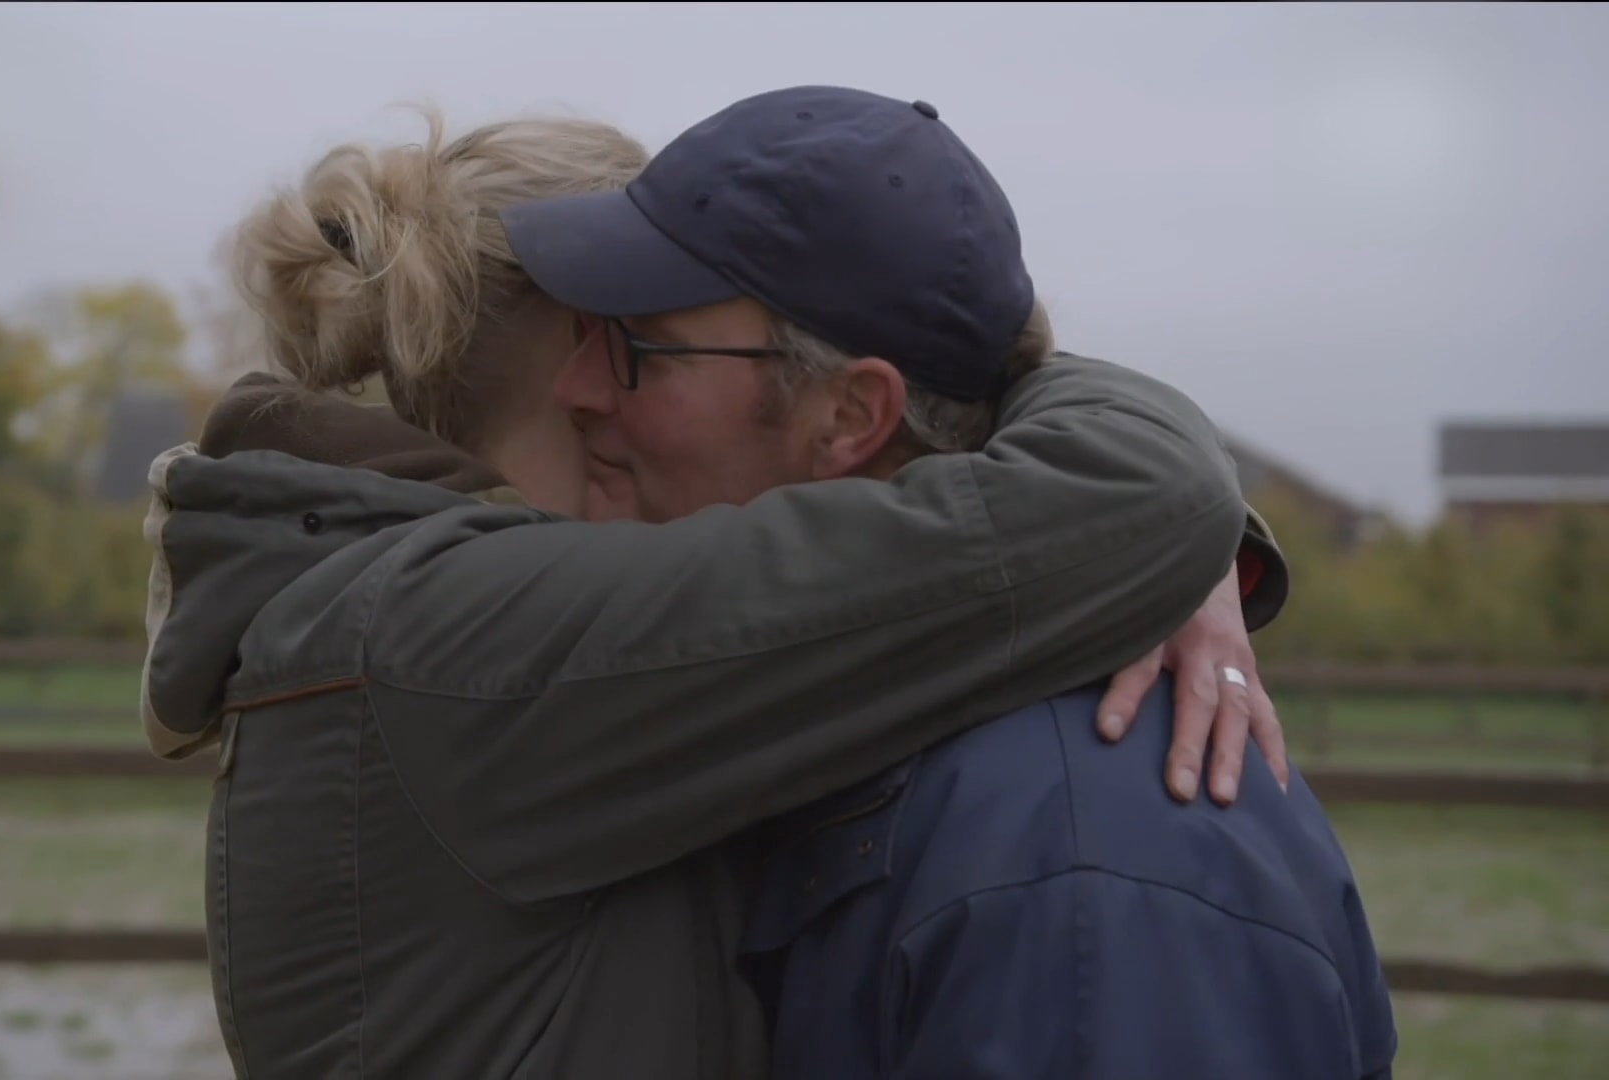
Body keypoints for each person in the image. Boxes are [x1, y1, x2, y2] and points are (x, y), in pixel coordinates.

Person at [140, 104, 1291, 1080]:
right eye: (621, 333)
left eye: (645, 340)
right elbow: (1128, 500)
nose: (609, 385)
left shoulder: (383, 594)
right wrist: (1130, 499)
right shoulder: (471, 637)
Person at [493, 85, 1398, 1079]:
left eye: (635, 348)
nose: (575, 389)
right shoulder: (826, 722)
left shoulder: (1077, 864)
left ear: (849, 416)